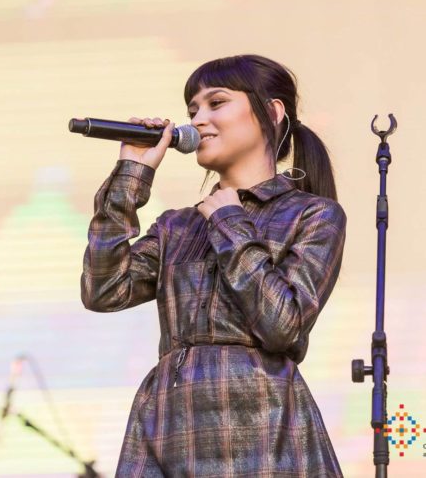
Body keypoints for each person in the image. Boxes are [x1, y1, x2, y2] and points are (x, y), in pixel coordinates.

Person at [81, 54, 346, 477]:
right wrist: (131, 173)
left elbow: (283, 325)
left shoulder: (312, 215)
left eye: (216, 103)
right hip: (170, 423)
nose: (198, 119)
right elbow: (103, 289)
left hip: (262, 424)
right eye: (192, 110)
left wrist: (228, 222)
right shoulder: (178, 226)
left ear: (272, 112)